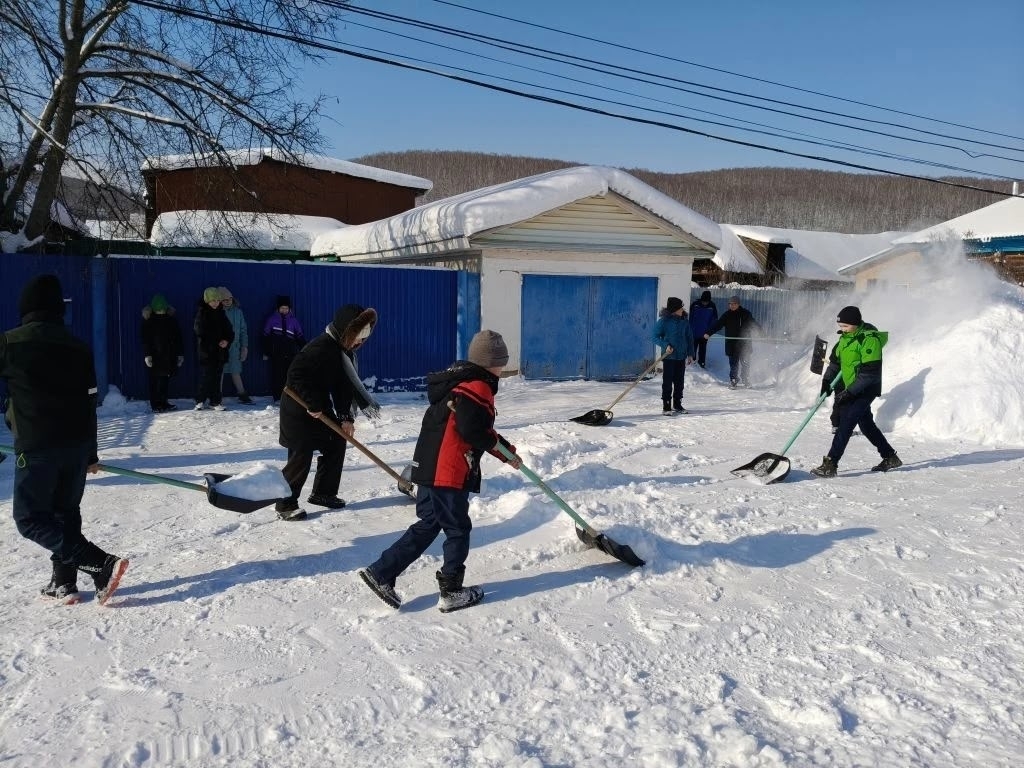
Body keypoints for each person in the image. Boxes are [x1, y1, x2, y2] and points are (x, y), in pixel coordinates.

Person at [358, 330, 521, 613]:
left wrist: (506, 452)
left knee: (429, 524)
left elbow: (475, 428)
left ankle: (381, 573)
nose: (502, 367)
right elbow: (472, 429)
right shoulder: (478, 386)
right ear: (490, 362)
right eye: (500, 361)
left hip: (429, 468)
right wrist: (500, 448)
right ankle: (452, 591)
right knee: (458, 529)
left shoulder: (456, 384)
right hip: (448, 471)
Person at [0, 274, 128, 605]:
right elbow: (89, 402)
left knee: (29, 519)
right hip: (75, 447)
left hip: (37, 447)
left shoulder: (10, 343)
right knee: (64, 513)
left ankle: (100, 564)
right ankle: (64, 582)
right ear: (59, 310)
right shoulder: (79, 348)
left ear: (26, 308)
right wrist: (91, 452)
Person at [275, 303, 381, 521]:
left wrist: (346, 417)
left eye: (364, 338)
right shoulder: (321, 348)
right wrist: (313, 404)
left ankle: (323, 493)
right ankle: (285, 504)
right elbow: (295, 375)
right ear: (345, 331)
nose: (360, 342)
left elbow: (343, 387)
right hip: (298, 406)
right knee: (300, 456)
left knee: (336, 440)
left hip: (317, 405)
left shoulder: (342, 352)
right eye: (358, 337)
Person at [811, 305, 902, 478]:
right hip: (850, 389)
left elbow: (870, 373)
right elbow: (835, 364)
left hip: (865, 389)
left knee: (846, 423)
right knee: (866, 425)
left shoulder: (869, 340)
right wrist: (826, 382)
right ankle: (890, 457)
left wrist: (850, 392)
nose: (842, 329)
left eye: (845, 326)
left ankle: (831, 463)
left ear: (855, 323)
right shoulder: (844, 340)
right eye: (840, 326)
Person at [703, 295, 761, 388]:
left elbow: (753, 324)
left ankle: (745, 378)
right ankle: (733, 379)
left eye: (734, 304)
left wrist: (761, 333)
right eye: (730, 304)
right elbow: (718, 325)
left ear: (738, 304)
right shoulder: (727, 315)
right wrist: (709, 333)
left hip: (744, 343)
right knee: (733, 364)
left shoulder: (745, 314)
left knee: (745, 363)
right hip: (732, 344)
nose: (732, 306)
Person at [140, 293, 184, 413]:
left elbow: (178, 337)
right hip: (155, 355)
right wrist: (147, 355)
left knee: (165, 379)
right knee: (155, 380)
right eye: (158, 309)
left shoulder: (171, 320)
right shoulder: (149, 322)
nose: (161, 312)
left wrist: (179, 354)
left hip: (168, 355)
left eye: (162, 309)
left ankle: (163, 402)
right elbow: (146, 340)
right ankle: (155, 404)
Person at [651, 296, 695, 414]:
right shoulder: (664, 321)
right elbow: (654, 336)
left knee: (679, 382)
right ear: (674, 309)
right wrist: (666, 345)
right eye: (680, 308)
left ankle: (677, 404)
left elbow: (689, 338)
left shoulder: (684, 321)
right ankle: (666, 406)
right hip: (669, 357)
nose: (682, 310)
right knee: (668, 382)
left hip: (681, 356)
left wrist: (690, 354)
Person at [193, 287, 234, 411]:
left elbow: (230, 331)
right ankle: (200, 400)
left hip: (220, 352)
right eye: (213, 300)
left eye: (217, 300)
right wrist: (216, 341)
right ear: (207, 301)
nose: (216, 303)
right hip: (207, 351)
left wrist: (226, 341)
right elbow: (199, 331)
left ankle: (215, 402)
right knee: (207, 376)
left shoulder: (222, 314)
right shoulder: (202, 313)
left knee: (217, 377)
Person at [263, 295, 305, 404]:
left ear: (289, 309)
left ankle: (289, 396)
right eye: (282, 308)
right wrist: (266, 351)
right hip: (276, 353)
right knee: (277, 375)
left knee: (289, 374)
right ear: (278, 308)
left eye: (286, 308)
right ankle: (277, 397)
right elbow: (265, 336)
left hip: (290, 353)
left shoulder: (294, 321)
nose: (284, 310)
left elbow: (300, 336)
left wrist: (304, 350)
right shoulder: (272, 319)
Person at [218, 287, 252, 404]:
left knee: (235, 370)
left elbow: (243, 330)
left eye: (230, 299)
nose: (228, 301)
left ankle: (242, 394)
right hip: (220, 347)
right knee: (219, 371)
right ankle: (218, 396)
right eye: (224, 299)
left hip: (234, 347)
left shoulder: (238, 312)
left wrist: (244, 347)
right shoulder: (217, 312)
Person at [689, 290, 719, 368]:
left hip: (705, 333)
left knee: (703, 349)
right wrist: (689, 329)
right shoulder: (695, 305)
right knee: (693, 348)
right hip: (694, 332)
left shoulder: (712, 306)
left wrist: (709, 332)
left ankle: (702, 363)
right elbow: (689, 317)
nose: (704, 303)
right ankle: (692, 363)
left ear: (709, 301)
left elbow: (714, 320)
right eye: (703, 301)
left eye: (706, 302)